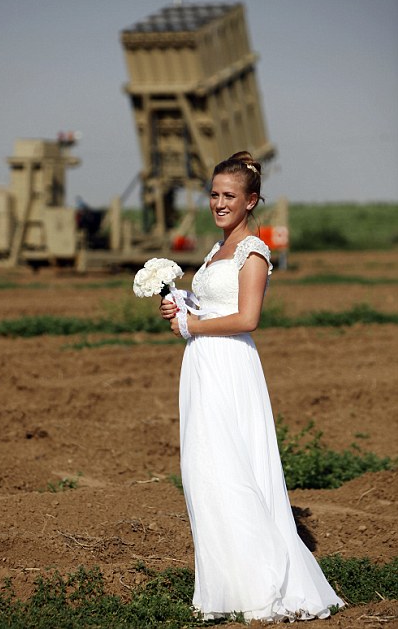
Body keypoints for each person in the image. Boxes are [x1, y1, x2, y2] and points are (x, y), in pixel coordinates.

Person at [159, 151, 344, 623]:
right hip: (202, 367)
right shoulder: (214, 252)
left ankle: (262, 585)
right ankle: (226, 587)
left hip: (230, 366)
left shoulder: (252, 251)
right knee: (205, 473)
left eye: (229, 196)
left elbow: (247, 318)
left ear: (251, 201)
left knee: (231, 470)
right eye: (214, 194)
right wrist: (179, 306)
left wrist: (192, 325)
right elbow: (208, 306)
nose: (219, 203)